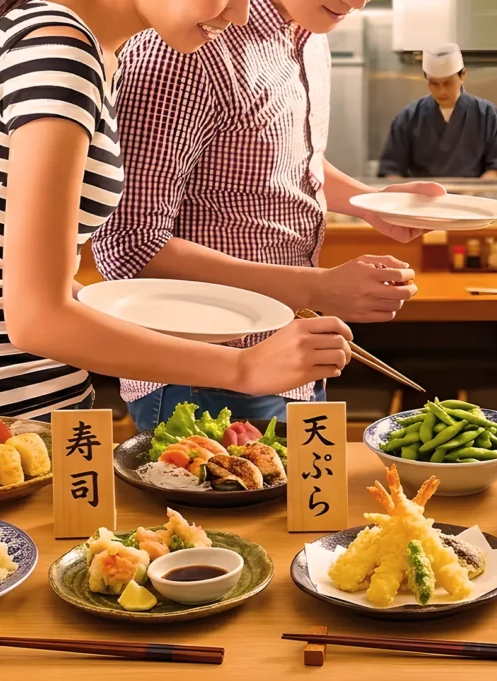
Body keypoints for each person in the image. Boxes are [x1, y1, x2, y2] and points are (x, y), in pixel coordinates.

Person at [0, 0, 355, 442]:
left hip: (28, 408)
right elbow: (35, 320)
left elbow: (6, 278)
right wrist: (244, 367)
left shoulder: (88, 50)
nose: (240, 15)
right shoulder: (57, 51)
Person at [93, 0, 440, 432]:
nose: (355, 1)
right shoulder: (182, 50)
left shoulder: (311, 37)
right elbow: (129, 246)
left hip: (296, 354)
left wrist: (369, 203)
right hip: (205, 372)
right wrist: (319, 288)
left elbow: (289, 165)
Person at [378, 43, 497, 179]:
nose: (441, 91)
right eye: (434, 83)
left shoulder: (487, 113)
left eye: (448, 83)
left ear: (463, 75)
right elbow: (391, 169)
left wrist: (474, 191)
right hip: (422, 198)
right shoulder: (408, 117)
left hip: (471, 198)